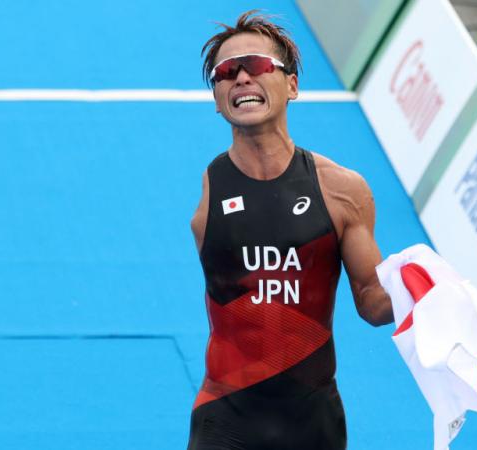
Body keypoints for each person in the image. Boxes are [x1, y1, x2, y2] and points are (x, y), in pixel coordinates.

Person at [188, 10, 393, 450]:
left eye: (258, 66)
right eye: (226, 72)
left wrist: (428, 291)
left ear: (293, 85)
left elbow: (374, 305)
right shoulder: (210, 196)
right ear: (218, 96)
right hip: (226, 420)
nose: (241, 77)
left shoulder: (342, 191)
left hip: (313, 424)